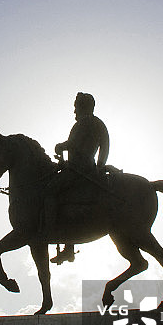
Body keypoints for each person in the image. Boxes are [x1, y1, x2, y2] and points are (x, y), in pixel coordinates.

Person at [46, 92, 110, 263]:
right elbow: (105, 148)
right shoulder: (99, 124)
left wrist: (60, 146)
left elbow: (73, 144)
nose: (74, 110)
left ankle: (47, 231)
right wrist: (100, 166)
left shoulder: (85, 122)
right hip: (84, 168)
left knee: (49, 191)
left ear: (83, 106)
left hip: (78, 169)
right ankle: (68, 248)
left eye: (76, 106)